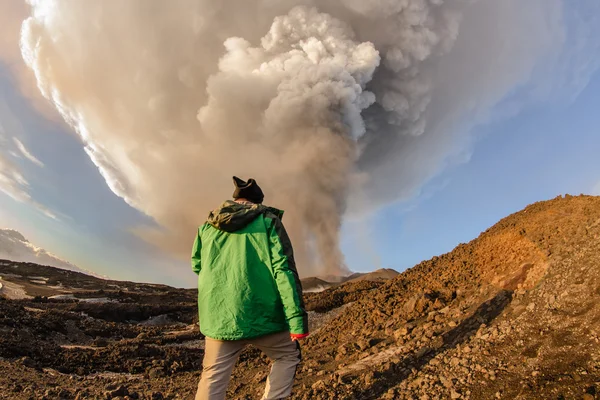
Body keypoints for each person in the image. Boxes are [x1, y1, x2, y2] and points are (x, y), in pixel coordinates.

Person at [192, 176, 309, 400]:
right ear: (258, 202)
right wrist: (296, 320)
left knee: (213, 375)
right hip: (264, 314)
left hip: (219, 317)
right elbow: (283, 269)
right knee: (287, 356)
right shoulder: (268, 221)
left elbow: (197, 264)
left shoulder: (206, 228)